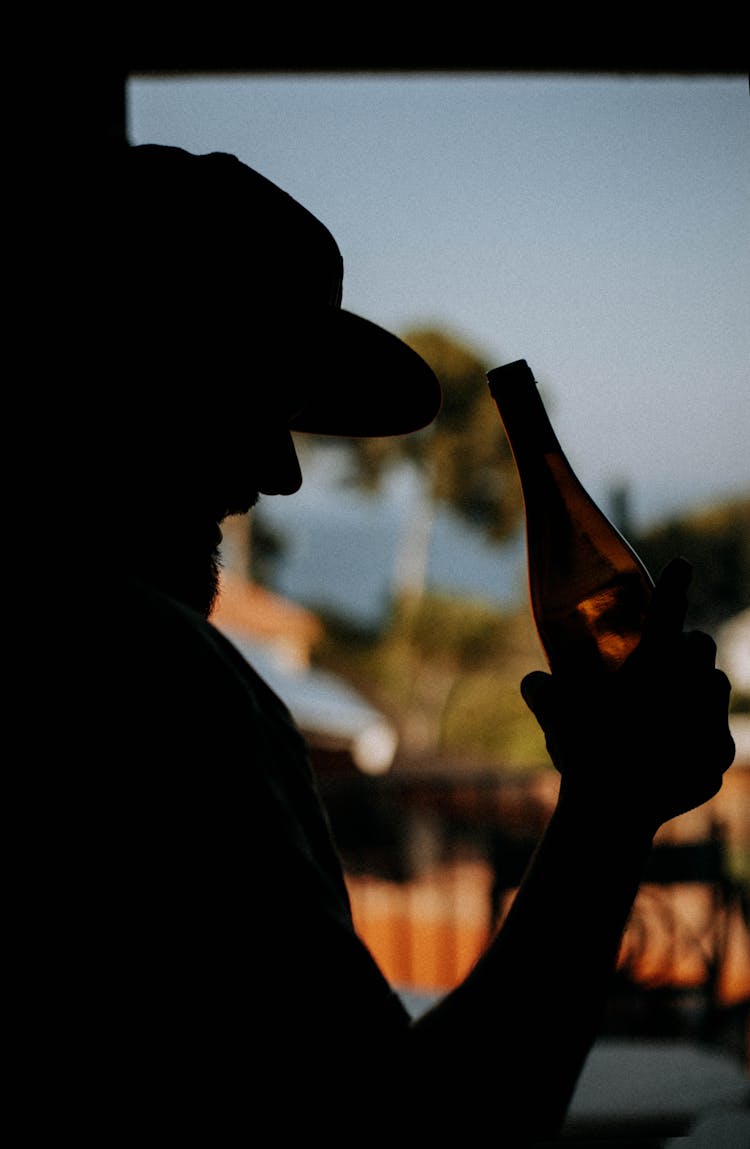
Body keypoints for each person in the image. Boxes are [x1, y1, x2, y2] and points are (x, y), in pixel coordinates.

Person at [37, 142, 735, 1144]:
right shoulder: (148, 675)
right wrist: (612, 808)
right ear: (108, 367)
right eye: (243, 397)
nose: (279, 473)